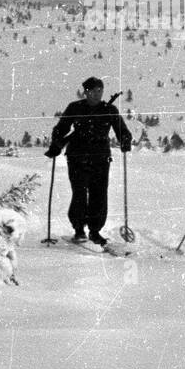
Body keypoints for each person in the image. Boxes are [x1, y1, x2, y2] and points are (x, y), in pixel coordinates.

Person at [46, 76, 133, 244]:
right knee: (79, 193)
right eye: (93, 91)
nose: (97, 94)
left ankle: (94, 231)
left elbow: (122, 130)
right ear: (85, 92)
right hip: (77, 157)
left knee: (99, 195)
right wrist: (56, 143)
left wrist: (126, 140)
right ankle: (79, 229)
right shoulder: (74, 107)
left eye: (100, 91)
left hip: (100, 158)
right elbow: (61, 129)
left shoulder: (110, 109)